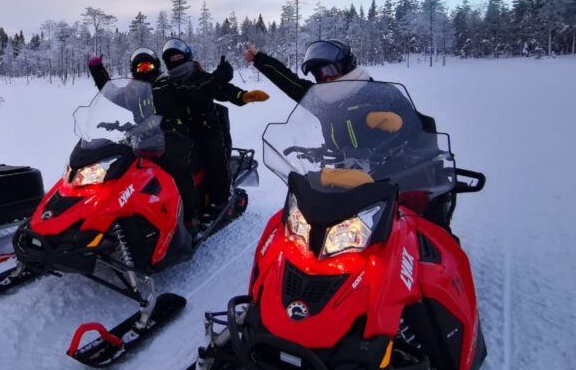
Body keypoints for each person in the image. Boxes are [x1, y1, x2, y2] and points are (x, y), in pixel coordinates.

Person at [246, 39, 448, 221]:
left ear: (347, 66)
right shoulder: (324, 100)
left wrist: (396, 122)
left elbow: (416, 127)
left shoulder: (380, 93)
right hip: (347, 178)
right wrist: (260, 59)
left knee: (421, 232)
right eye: (319, 74)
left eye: (330, 70)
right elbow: (291, 84)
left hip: (394, 181)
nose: (325, 78)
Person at [87, 49, 200, 228]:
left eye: (148, 65)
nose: (145, 69)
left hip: (173, 135)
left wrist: (193, 70)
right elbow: (111, 93)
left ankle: (189, 216)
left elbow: (190, 88)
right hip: (144, 139)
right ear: (134, 69)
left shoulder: (167, 83)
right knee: (126, 172)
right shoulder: (132, 91)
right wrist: (97, 69)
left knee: (175, 170)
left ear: (156, 65)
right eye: (140, 66)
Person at [161, 38, 269, 216]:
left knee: (213, 156)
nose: (175, 61)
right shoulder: (168, 83)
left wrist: (243, 96)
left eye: (178, 56)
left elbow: (221, 89)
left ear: (187, 56)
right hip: (180, 133)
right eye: (171, 59)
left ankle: (221, 198)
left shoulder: (200, 76)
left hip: (206, 129)